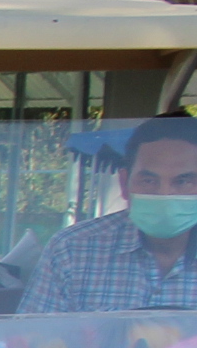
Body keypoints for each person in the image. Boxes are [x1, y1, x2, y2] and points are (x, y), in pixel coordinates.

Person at [19, 114, 197, 313]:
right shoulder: (72, 250)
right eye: (148, 181)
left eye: (183, 182)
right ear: (124, 183)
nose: (164, 194)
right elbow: (32, 339)